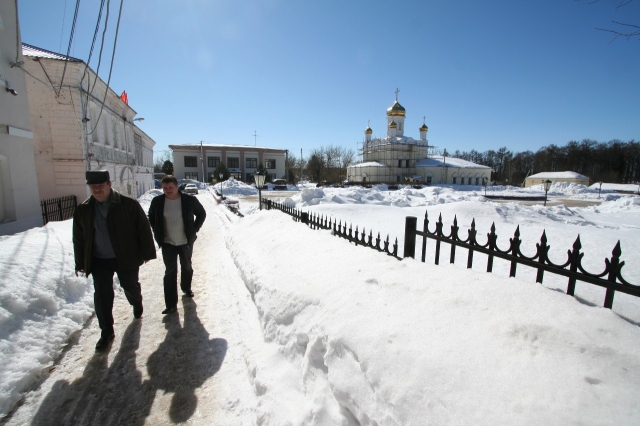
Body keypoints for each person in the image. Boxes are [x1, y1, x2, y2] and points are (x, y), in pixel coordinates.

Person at [73, 170, 157, 350]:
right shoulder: (84, 210)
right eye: (93, 186)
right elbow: (79, 238)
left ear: (109, 184)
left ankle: (136, 301)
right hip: (99, 260)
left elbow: (143, 228)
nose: (97, 190)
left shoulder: (128, 205)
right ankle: (106, 332)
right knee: (102, 295)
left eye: (100, 186)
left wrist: (148, 252)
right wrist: (80, 262)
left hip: (126, 256)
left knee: (130, 286)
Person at [148, 176, 206, 315]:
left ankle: (186, 287)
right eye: (165, 188)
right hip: (168, 242)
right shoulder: (158, 201)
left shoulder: (189, 200)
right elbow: (151, 216)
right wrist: (157, 230)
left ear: (177, 186)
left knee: (186, 266)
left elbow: (202, 214)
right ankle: (171, 305)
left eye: (171, 187)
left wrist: (194, 229)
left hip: (185, 241)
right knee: (170, 272)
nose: (168, 190)